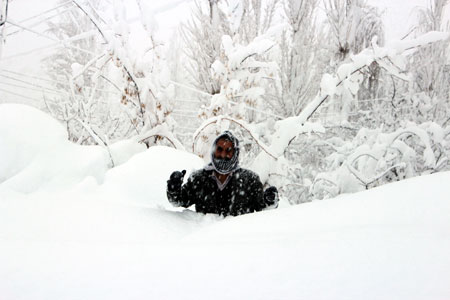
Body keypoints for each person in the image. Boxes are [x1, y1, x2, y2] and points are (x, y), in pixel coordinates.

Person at [166, 131, 279, 216]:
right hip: (204, 242)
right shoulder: (199, 179)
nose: (223, 155)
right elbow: (179, 201)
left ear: (235, 153)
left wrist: (270, 202)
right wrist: (173, 189)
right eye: (219, 149)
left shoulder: (250, 180)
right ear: (214, 151)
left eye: (228, 151)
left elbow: (263, 212)